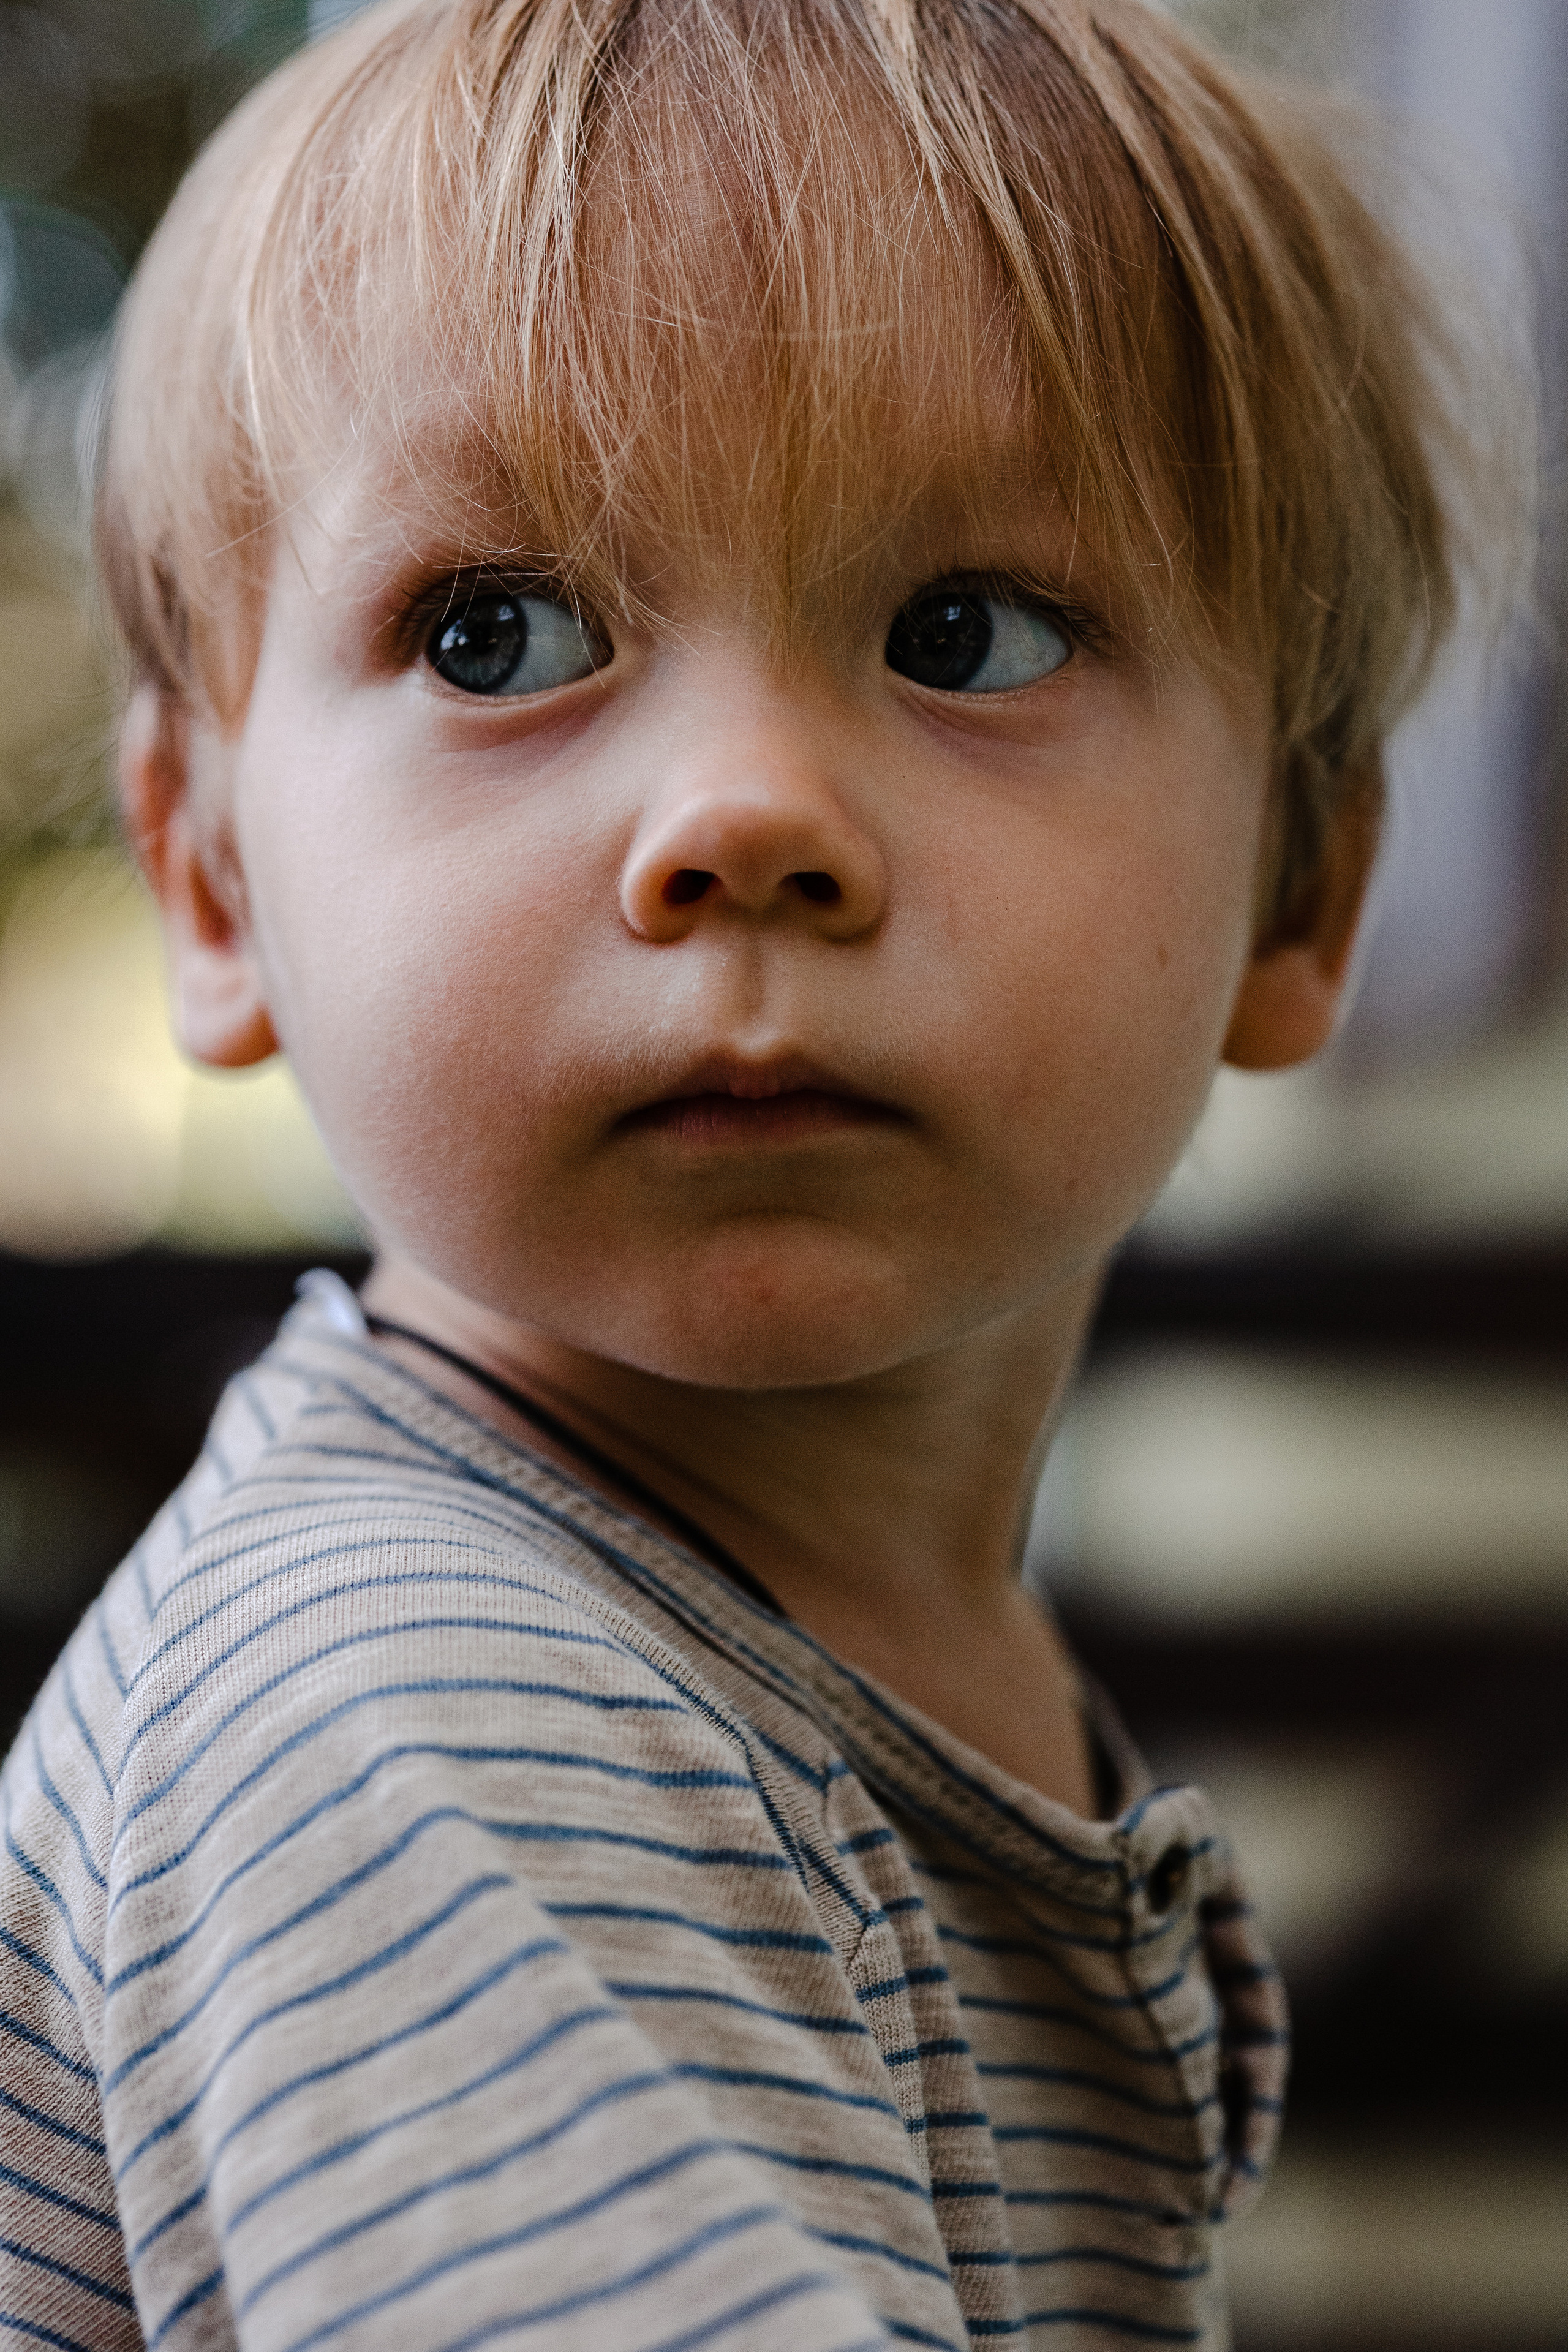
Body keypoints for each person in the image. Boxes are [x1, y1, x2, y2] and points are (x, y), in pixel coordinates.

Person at [0, 0, 1520, 2344]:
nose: (748, 821)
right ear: (212, 885)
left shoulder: (751, 1653)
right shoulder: (428, 1714)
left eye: (966, 632)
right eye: (498, 634)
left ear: (1299, 889)